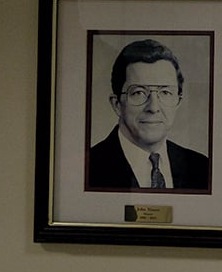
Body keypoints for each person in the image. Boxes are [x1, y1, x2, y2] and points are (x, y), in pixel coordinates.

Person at [88, 39, 210, 191]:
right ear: (117, 104)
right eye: (139, 92)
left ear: (178, 102)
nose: (153, 107)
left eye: (165, 92)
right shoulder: (87, 167)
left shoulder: (202, 168)